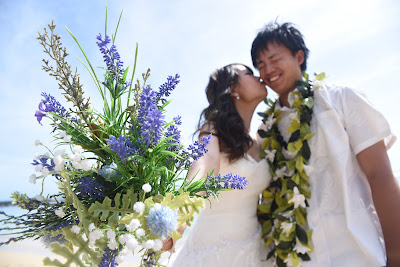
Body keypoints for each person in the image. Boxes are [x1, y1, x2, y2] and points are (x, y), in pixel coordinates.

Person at [251, 22, 400, 266]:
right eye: (260, 65)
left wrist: (396, 254)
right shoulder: (265, 131)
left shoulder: (341, 99)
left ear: (299, 56)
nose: (268, 70)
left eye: (274, 58)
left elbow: (380, 174)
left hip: (357, 253)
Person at [167, 63, 271, 267]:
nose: (259, 77)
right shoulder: (214, 129)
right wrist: (179, 216)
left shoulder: (262, 139)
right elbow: (204, 166)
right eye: (249, 74)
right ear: (233, 89)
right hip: (211, 249)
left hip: (254, 250)